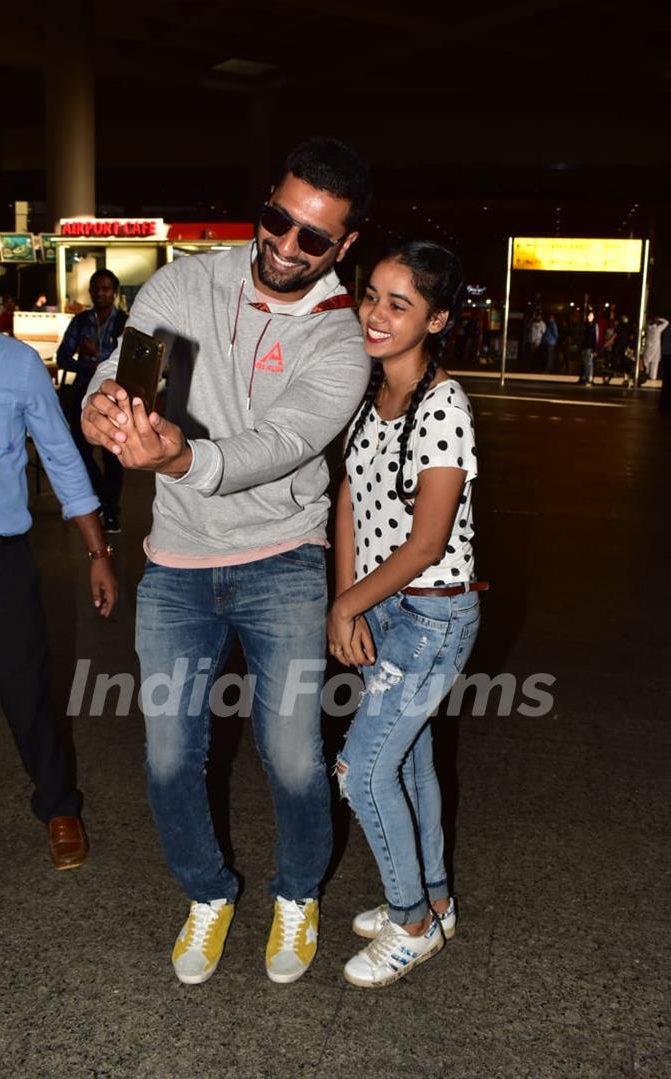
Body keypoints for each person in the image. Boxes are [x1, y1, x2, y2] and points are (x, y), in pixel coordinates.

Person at [81, 137, 373, 985]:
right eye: (278, 219)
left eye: (313, 238)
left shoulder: (340, 342)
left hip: (283, 558)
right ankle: (208, 891)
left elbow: (277, 446)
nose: (286, 245)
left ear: (344, 245)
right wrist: (107, 407)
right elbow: (126, 366)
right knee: (169, 754)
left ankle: (297, 891)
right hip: (176, 562)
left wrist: (179, 460)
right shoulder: (184, 282)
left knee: (289, 752)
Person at [327, 239, 483, 988]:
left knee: (360, 770)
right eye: (372, 295)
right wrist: (350, 598)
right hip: (386, 609)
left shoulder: (443, 405)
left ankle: (411, 919)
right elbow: (351, 495)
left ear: (437, 318)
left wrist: (349, 602)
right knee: (408, 760)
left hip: (431, 616)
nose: (376, 314)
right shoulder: (375, 393)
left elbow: (426, 543)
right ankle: (437, 900)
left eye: (400, 303)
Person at [0, 218, 117, 867]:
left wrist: (98, 552)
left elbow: (63, 458)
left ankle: (58, 805)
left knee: (27, 692)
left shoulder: (15, 365)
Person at [56, 269, 128, 533]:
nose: (100, 294)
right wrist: (84, 363)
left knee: (112, 455)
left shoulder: (125, 322)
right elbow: (62, 356)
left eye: (106, 289)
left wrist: (97, 359)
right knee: (80, 450)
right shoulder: (81, 321)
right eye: (95, 289)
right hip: (83, 391)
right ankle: (104, 500)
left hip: (114, 396)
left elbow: (128, 362)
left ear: (114, 292)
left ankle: (111, 513)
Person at [642, 315, 668, 381]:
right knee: (654, 365)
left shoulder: (648, 328)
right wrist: (659, 318)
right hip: (656, 350)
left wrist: (651, 320)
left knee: (647, 364)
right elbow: (666, 322)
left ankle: (645, 376)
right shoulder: (658, 329)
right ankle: (652, 378)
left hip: (648, 349)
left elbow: (646, 323)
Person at [578, 309, 599, 385]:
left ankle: (589, 378)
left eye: (591, 316)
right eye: (588, 315)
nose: (589, 317)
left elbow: (595, 338)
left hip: (589, 347)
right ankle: (584, 377)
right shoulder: (585, 325)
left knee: (589, 363)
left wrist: (595, 349)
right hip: (584, 346)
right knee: (584, 363)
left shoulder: (594, 326)